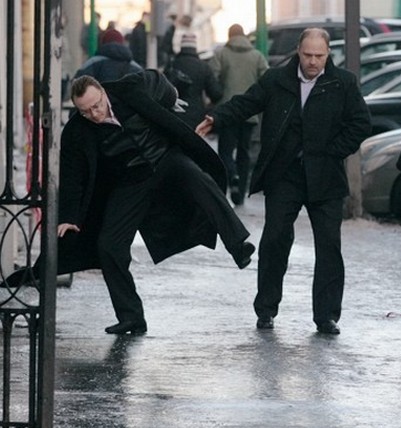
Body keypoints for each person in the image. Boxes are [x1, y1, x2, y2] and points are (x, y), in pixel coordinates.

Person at [5, 71, 255, 335]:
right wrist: (69, 216)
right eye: (86, 111)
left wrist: (172, 98)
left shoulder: (129, 90)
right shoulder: (76, 132)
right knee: (108, 245)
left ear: (103, 92)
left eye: (96, 105)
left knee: (200, 180)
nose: (95, 114)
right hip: (131, 181)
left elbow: (157, 79)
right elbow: (72, 178)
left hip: (165, 159)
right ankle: (131, 317)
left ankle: (238, 244)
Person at [196, 28, 371, 334]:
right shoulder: (278, 79)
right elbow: (247, 102)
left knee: (329, 246)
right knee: (275, 239)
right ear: (298, 52)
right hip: (285, 173)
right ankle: (266, 310)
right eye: (307, 55)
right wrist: (217, 118)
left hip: (326, 175)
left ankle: (326, 316)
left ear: (328, 54)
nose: (313, 62)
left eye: (319, 56)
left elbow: (360, 124)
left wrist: (333, 152)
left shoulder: (342, 82)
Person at [210, 23, 269, 205]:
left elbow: (213, 75)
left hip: (228, 112)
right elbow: (266, 79)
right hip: (249, 114)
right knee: (244, 152)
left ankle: (232, 174)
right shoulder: (257, 56)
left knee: (225, 151)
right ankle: (241, 193)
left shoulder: (221, 53)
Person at [168, 33, 222, 129]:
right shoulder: (203, 66)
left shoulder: (172, 64)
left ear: (182, 46)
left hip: (173, 114)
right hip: (196, 116)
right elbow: (215, 94)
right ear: (194, 47)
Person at [74, 29, 142, 82]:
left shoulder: (92, 62)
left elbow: (78, 83)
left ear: (103, 43)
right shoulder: (134, 66)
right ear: (122, 43)